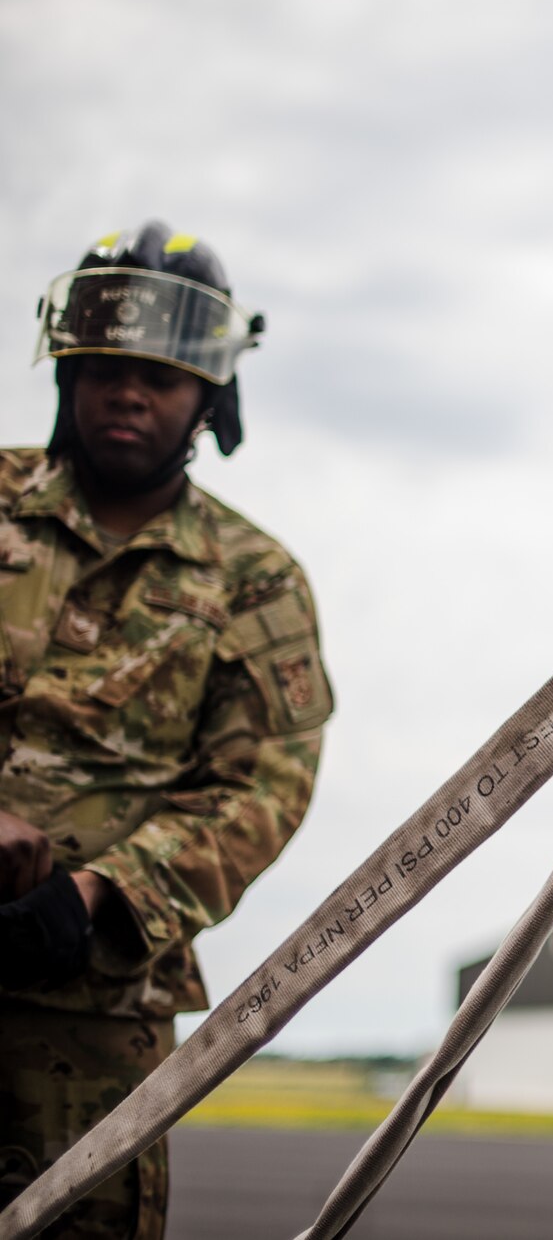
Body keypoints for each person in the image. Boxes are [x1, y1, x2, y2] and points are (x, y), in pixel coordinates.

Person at [0, 222, 332, 1239]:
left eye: (164, 374)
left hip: (88, 1013)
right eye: (106, 367)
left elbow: (263, 784)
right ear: (70, 373)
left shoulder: (252, 575)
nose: (130, 392)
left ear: (210, 397)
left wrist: (104, 893)